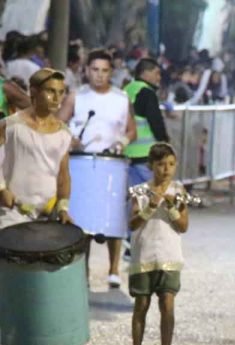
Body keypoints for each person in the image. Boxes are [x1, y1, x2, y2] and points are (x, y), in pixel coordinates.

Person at [58, 49, 137, 288]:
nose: (99, 75)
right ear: (86, 70)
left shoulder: (121, 98)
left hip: (111, 163)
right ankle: (84, 268)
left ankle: (113, 270)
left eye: (104, 71)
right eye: (95, 70)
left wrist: (121, 142)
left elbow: (131, 130)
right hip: (81, 161)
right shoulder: (76, 96)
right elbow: (59, 123)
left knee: (113, 215)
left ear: (111, 72)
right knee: (82, 218)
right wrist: (69, 137)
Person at [123, 142, 189, 345]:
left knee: (167, 304)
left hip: (170, 256)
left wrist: (171, 208)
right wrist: (150, 207)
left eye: (171, 164)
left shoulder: (179, 190)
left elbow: (183, 225)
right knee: (141, 304)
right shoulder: (140, 190)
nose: (166, 169)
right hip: (144, 255)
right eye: (161, 165)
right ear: (151, 165)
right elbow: (132, 224)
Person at [0, 68, 72, 229]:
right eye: (50, 91)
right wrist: (2, 188)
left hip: (46, 216)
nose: (56, 98)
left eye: (61, 92)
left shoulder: (63, 133)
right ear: (34, 91)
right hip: (11, 213)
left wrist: (63, 208)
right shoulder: (11, 125)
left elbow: (63, 175)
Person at [123, 58, 170, 189]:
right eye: (156, 73)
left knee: (134, 198)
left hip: (127, 154)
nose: (159, 77)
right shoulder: (147, 93)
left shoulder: (126, 89)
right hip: (146, 155)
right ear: (145, 73)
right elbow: (156, 122)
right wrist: (165, 142)